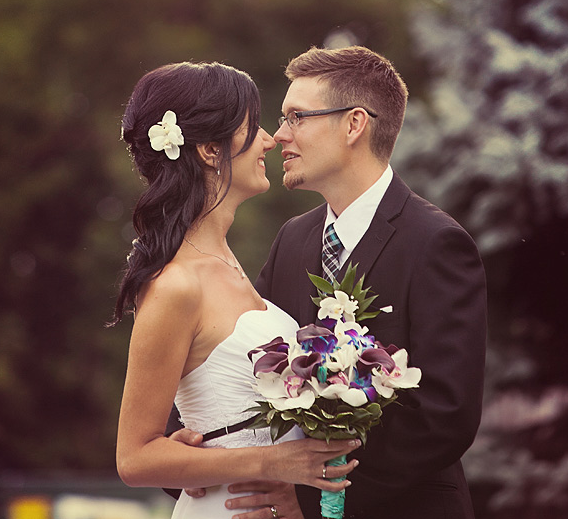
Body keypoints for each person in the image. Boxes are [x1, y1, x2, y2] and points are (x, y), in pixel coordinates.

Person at [182, 46, 487, 519]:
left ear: (353, 124)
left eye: (297, 116)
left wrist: (317, 496)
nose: (279, 135)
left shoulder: (437, 243)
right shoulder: (293, 239)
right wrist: (188, 440)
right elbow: (236, 350)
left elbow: (444, 415)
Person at [113, 60, 360, 517]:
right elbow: (134, 458)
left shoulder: (231, 263)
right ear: (210, 150)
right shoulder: (177, 285)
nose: (271, 139)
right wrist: (274, 462)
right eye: (255, 126)